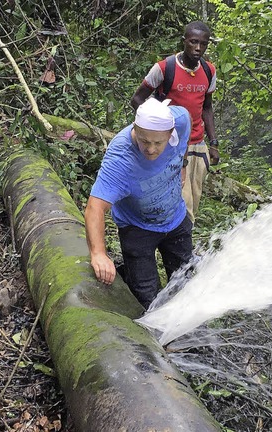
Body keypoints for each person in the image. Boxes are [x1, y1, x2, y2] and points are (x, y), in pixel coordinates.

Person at [84, 98, 193, 309]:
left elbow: (186, 136)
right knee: (146, 296)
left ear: (170, 134)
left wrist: (183, 164)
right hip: (137, 228)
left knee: (186, 284)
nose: (150, 149)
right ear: (134, 128)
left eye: (158, 143)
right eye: (144, 141)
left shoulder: (181, 120)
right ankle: (156, 338)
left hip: (176, 219)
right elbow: (94, 208)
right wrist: (98, 254)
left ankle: (184, 334)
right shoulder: (120, 160)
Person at [131, 21, 220, 223]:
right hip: (171, 145)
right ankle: (180, 248)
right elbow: (137, 99)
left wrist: (213, 142)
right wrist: (156, 130)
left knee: (193, 201)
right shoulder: (165, 68)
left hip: (197, 144)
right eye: (193, 42)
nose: (198, 48)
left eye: (203, 44)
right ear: (184, 42)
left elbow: (207, 107)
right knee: (182, 202)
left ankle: (181, 245)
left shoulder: (209, 71)